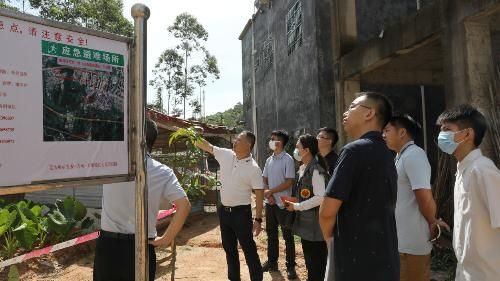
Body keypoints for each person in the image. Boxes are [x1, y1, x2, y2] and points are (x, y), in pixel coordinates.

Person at [93, 119, 191, 281]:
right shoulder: (162, 171)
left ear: (136, 137)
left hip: (108, 247)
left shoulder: (110, 164)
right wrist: (166, 239)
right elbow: (184, 205)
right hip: (142, 247)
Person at [319, 92, 399, 281]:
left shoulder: (353, 150)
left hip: (355, 259)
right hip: (385, 256)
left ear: (369, 113)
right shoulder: (388, 153)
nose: (346, 113)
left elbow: (327, 212)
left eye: (352, 107)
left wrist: (331, 239)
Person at [436, 105, 500, 281]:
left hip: (488, 274)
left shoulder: (483, 171)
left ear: (467, 134)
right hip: (466, 272)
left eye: (447, 130)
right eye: (441, 130)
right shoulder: (463, 170)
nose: (441, 136)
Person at [383, 114, 450, 281]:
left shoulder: (414, 155)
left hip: (412, 243)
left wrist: (433, 222)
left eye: (387, 130)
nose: (383, 135)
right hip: (401, 241)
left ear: (402, 132)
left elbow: (424, 197)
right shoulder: (400, 156)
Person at [195, 131, 264, 281]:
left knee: (248, 249)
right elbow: (207, 146)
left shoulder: (254, 168)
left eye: (239, 139)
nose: (235, 141)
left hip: (241, 213)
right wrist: (193, 135)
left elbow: (259, 194)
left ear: (248, 145)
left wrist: (258, 219)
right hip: (224, 212)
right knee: (229, 249)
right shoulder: (226, 154)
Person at [284, 134, 328, 281]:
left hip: (315, 227)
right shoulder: (304, 168)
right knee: (311, 262)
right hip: (307, 225)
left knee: (316, 264)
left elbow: (321, 197)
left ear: (306, 150)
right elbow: (307, 194)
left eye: (298, 147)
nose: (296, 150)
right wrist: (295, 201)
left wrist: (297, 206)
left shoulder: (316, 169)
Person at [261, 130, 297, 279]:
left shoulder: (287, 159)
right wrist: (268, 195)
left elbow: (289, 181)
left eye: (273, 139)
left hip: (284, 203)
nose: (271, 141)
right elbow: (264, 178)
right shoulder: (269, 159)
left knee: (288, 236)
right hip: (271, 204)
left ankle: (290, 267)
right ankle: (272, 262)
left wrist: (271, 192)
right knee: (271, 234)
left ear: (280, 142)